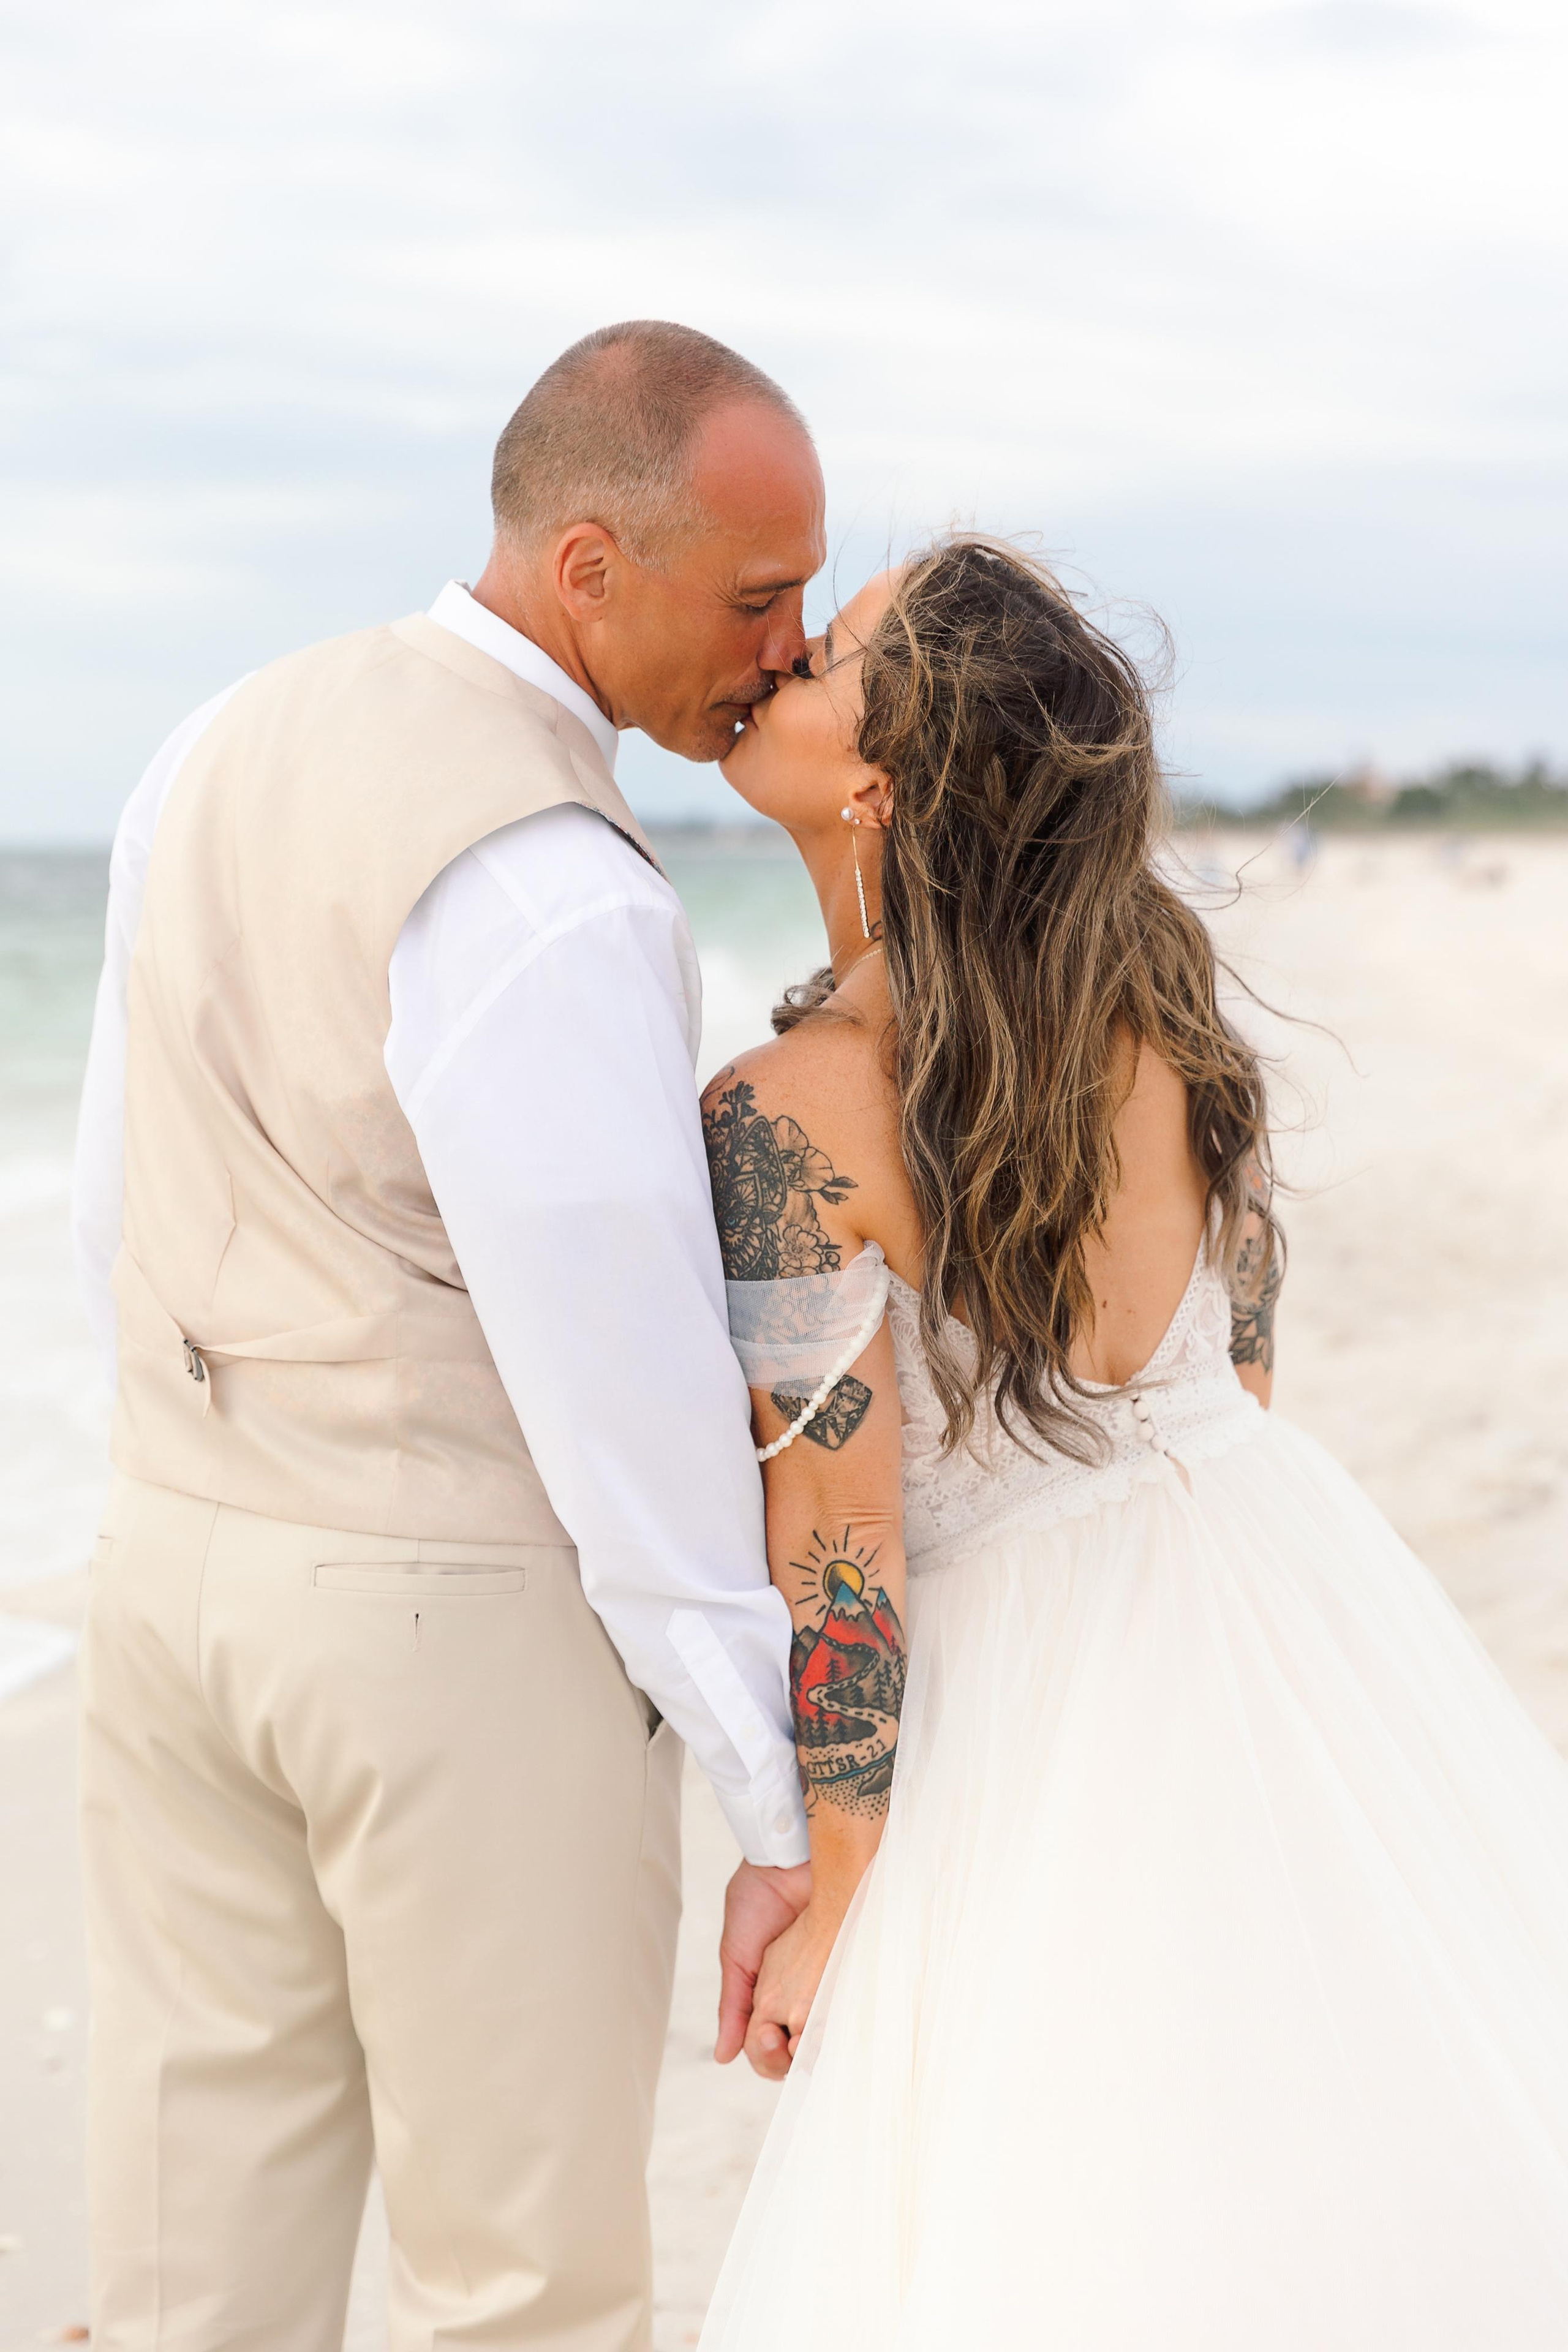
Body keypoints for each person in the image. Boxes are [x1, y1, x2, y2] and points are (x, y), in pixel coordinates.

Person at [698, 538, 1568, 2348]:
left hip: (1037, 1674)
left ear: (885, 779)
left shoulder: (789, 1117)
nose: (780, 662)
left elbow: (839, 1550)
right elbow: (1236, 1382)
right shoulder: (1170, 1022)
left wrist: (840, 1897)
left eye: (834, 650)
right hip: (1272, 1595)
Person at [70, 319, 823, 2352]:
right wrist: (780, 1801)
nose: (791, 646)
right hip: (440, 1632)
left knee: (182, 2261)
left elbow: (117, 1184)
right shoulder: (552, 880)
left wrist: (164, 1485)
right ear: (592, 566)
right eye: (759, 596)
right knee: (526, 2289)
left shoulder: (214, 738)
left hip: (168, 1572)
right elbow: (627, 1388)